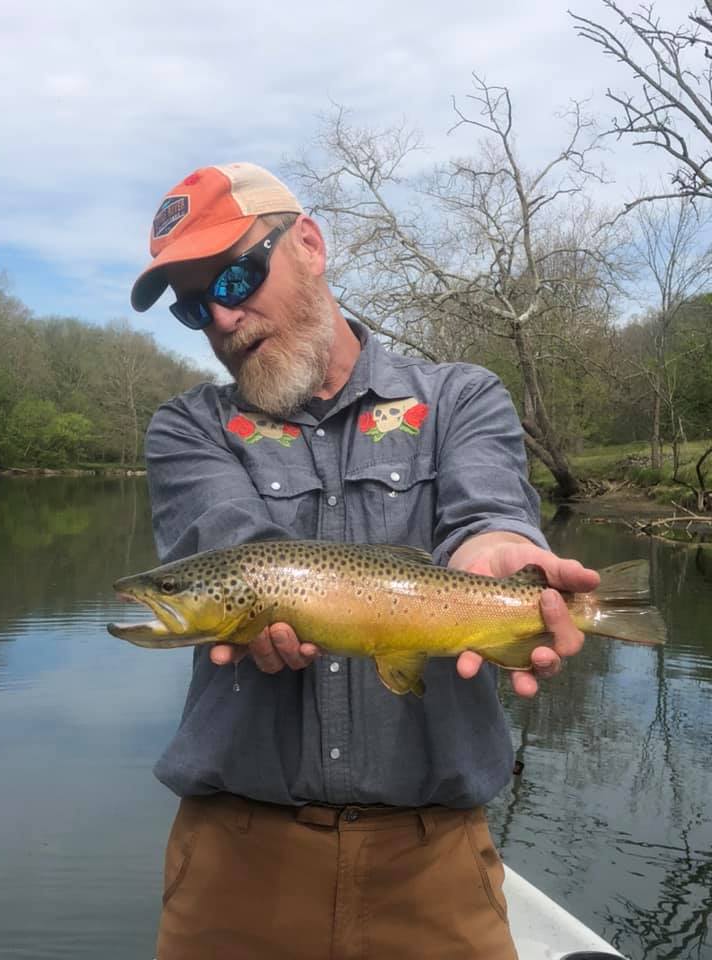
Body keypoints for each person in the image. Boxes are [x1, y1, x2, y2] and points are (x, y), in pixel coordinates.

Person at [131, 161, 599, 960]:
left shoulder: (462, 397)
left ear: (308, 244)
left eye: (237, 275)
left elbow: (488, 516)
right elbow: (235, 549)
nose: (222, 316)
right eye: (191, 306)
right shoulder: (188, 427)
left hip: (436, 867)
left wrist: (502, 553)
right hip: (234, 872)